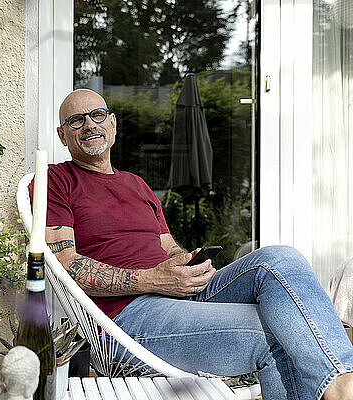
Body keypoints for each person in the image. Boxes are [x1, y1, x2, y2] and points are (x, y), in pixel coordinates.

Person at [37, 89, 353, 400]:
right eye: (76, 120)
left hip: (181, 294)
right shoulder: (55, 180)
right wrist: (153, 279)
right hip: (127, 319)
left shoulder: (137, 184)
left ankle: (342, 377)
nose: (90, 124)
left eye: (97, 115)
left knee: (280, 259)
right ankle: (340, 390)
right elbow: (67, 266)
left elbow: (167, 246)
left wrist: (186, 264)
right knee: (279, 332)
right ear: (62, 136)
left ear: (112, 123)